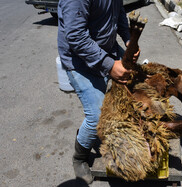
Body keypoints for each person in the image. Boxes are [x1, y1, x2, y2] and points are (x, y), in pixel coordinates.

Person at [57, 0, 139, 184]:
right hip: (79, 61)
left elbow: (118, 15)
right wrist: (110, 66)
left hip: (107, 49)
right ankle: (79, 157)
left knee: (137, 82)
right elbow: (76, 36)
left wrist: (128, 39)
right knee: (97, 116)